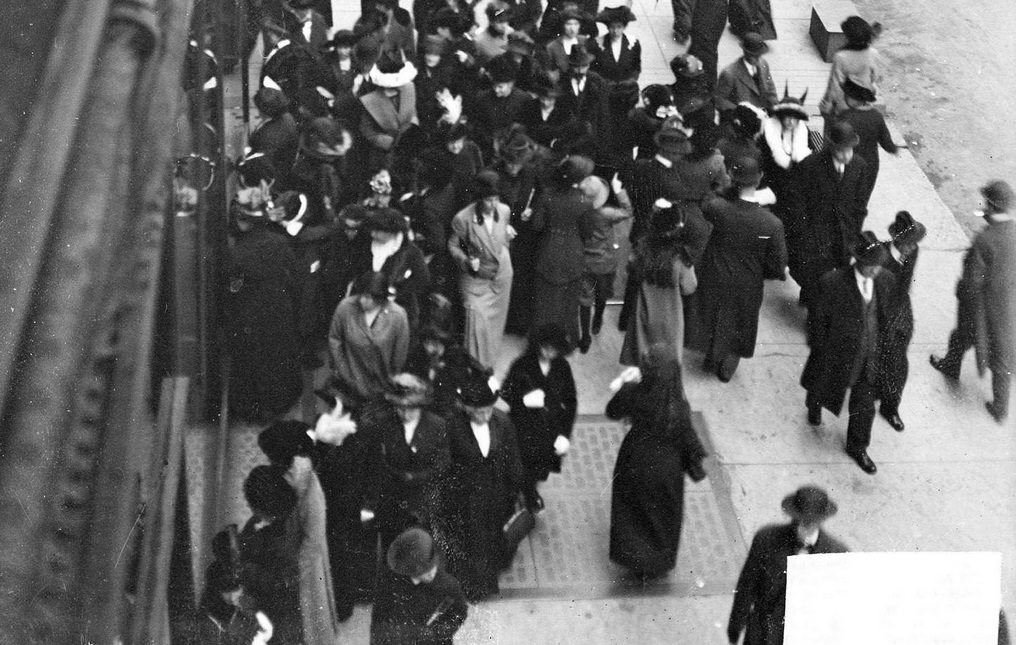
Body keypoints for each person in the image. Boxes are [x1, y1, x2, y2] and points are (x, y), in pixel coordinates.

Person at [607, 344, 707, 579]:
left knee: (630, 512)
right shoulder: (677, 406)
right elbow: (688, 437)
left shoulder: (634, 392)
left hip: (635, 459)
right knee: (662, 516)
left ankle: (632, 557)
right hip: (667, 469)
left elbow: (613, 411)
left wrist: (623, 384)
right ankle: (657, 562)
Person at [801, 232, 898, 475]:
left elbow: (889, 313)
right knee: (822, 384)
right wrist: (820, 347)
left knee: (865, 405)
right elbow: (817, 320)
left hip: (870, 355)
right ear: (858, 262)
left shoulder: (885, 279)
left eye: (879, 266)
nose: (875, 271)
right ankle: (814, 406)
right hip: (836, 353)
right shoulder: (833, 282)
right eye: (871, 266)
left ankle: (858, 447)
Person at [688, 157, 787, 382]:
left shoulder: (718, 209)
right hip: (749, 280)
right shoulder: (771, 223)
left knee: (715, 315)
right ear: (760, 178)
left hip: (716, 271)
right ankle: (727, 365)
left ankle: (712, 356)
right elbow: (778, 264)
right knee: (741, 321)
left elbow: (707, 200)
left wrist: (726, 190)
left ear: (734, 180)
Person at [931, 180, 1016, 423]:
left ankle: (950, 365)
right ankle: (1000, 408)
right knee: (1001, 357)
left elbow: (971, 283)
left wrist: (962, 293)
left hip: (980, 308)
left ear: (990, 206)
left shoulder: (985, 240)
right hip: (1007, 308)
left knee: (962, 336)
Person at [727, 486, 849, 645]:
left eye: (809, 522)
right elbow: (747, 584)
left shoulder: (836, 554)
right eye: (798, 519)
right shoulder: (767, 539)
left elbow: (836, 610)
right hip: (762, 633)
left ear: (821, 520)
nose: (802, 526)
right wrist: (736, 625)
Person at [440, 373, 525, 600]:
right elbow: (446, 467)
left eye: (489, 409)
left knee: (491, 538)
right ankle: (475, 588)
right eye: (479, 412)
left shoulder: (503, 422)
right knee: (471, 542)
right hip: (466, 498)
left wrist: (515, 488)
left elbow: (512, 457)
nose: (485, 416)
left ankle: (487, 578)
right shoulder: (453, 427)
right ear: (467, 408)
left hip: (496, 494)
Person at [224, 183, 304, 423]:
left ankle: (253, 408)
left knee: (252, 363)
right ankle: (281, 401)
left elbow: (232, 291)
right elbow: (295, 280)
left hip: (251, 317)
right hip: (280, 311)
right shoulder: (280, 244)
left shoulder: (237, 254)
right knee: (279, 358)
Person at [257, 421, 340, 645]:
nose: (269, 460)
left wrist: (297, 569)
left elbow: (314, 537)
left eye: (271, 455)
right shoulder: (284, 474)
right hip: (290, 551)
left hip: (308, 560)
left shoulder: (310, 485)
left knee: (312, 612)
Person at [784, 121, 869, 309]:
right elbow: (796, 201)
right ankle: (813, 309)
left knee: (838, 273)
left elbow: (860, 204)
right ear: (831, 148)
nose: (847, 155)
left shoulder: (859, 166)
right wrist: (804, 231)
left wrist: (854, 232)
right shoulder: (811, 165)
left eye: (850, 150)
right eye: (841, 151)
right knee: (815, 274)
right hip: (815, 232)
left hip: (843, 234)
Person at [369, 373, 451, 551]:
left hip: (425, 503)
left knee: (424, 550)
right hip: (393, 502)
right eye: (399, 407)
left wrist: (415, 477)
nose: (404, 413)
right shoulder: (385, 425)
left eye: (410, 408)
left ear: (421, 406)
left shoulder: (437, 426)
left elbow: (443, 464)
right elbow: (376, 464)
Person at [501, 323, 577, 512]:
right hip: (522, 427)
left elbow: (570, 402)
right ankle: (511, 495)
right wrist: (523, 401)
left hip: (549, 428)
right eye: (545, 346)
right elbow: (505, 391)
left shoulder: (562, 367)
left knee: (539, 468)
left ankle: (530, 492)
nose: (548, 351)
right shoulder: (523, 364)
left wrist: (564, 435)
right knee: (517, 465)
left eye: (553, 348)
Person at [447, 171, 515, 367]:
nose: (493, 204)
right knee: (476, 318)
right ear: (479, 199)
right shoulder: (463, 218)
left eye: (496, 199)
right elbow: (452, 245)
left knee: (494, 322)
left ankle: (489, 359)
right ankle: (476, 365)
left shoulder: (504, 211)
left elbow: (500, 237)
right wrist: (466, 261)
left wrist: (506, 236)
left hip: (501, 273)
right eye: (488, 200)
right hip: (475, 277)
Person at [620, 202, 700, 366]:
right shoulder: (680, 258)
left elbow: (631, 270)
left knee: (643, 355)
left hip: (643, 311)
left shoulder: (640, 249)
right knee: (667, 362)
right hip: (670, 317)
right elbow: (689, 287)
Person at [530, 155, 593, 346]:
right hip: (572, 255)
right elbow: (587, 232)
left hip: (547, 252)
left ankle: (539, 342)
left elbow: (537, 226)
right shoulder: (585, 201)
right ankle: (567, 341)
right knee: (568, 303)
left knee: (544, 302)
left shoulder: (547, 196)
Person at [237, 465, 303, 643]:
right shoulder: (255, 526)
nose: (254, 512)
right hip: (261, 602)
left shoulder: (287, 529)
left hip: (281, 606)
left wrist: (251, 571)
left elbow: (286, 578)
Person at [370, 527, 469, 645]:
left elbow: (460, 611)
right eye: (425, 572)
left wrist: (439, 631)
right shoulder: (390, 588)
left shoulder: (448, 584)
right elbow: (379, 626)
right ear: (410, 570)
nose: (432, 574)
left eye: (433, 568)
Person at [328, 271, 411, 404]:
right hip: (352, 386)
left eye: (367, 297)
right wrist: (346, 374)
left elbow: (400, 354)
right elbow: (335, 340)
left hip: (384, 389)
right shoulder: (345, 308)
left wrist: (391, 380)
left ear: (380, 298)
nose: (362, 300)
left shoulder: (398, 316)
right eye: (361, 294)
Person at [878, 211, 927, 432]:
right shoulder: (879, 256)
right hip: (878, 312)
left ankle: (890, 406)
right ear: (897, 238)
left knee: (898, 362)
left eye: (914, 243)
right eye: (907, 243)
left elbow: (905, 284)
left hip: (898, 309)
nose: (911, 247)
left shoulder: (913, 251)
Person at [577, 174, 632, 349]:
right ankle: (598, 319)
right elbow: (628, 211)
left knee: (584, 300)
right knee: (602, 295)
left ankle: (585, 337)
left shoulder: (579, 211)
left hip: (584, 261)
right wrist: (619, 191)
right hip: (605, 263)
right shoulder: (607, 213)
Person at [363, 208, 431, 330]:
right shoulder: (367, 245)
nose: (373, 234)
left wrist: (398, 291)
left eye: (378, 231)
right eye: (373, 230)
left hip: (397, 308)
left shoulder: (411, 251)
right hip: (368, 305)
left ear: (392, 232)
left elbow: (422, 279)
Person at [837, 78, 900, 203]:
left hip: (849, 164)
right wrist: (894, 149)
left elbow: (836, 143)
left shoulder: (845, 117)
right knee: (862, 199)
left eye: (847, 95)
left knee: (844, 198)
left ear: (854, 99)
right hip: (870, 165)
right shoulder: (876, 116)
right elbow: (886, 142)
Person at [359, 50, 420, 172]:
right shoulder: (371, 99)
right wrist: (383, 140)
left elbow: (412, 111)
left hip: (407, 148)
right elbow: (366, 130)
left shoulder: (408, 89)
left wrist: (412, 125)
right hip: (383, 155)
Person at [819, 16, 882, 127]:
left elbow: (835, 85)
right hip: (863, 102)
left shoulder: (841, 56)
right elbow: (875, 77)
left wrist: (826, 104)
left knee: (838, 136)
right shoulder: (873, 53)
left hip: (843, 106)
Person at [758, 86, 811, 219]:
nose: (790, 122)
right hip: (773, 184)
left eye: (794, 118)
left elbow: (811, 159)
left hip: (797, 188)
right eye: (787, 117)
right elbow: (763, 163)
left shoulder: (805, 133)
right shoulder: (767, 132)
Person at [714, 32, 778, 116]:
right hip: (742, 119)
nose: (756, 59)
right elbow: (720, 100)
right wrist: (741, 111)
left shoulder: (763, 64)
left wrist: (775, 105)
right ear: (745, 52)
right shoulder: (730, 73)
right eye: (752, 55)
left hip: (764, 115)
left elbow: (770, 87)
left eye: (758, 55)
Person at [590, 6, 641, 84]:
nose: (615, 31)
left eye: (619, 27)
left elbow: (636, 67)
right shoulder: (597, 44)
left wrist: (630, 83)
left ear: (624, 27)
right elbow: (593, 70)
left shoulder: (633, 43)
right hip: (604, 89)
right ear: (607, 27)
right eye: (612, 27)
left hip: (626, 89)